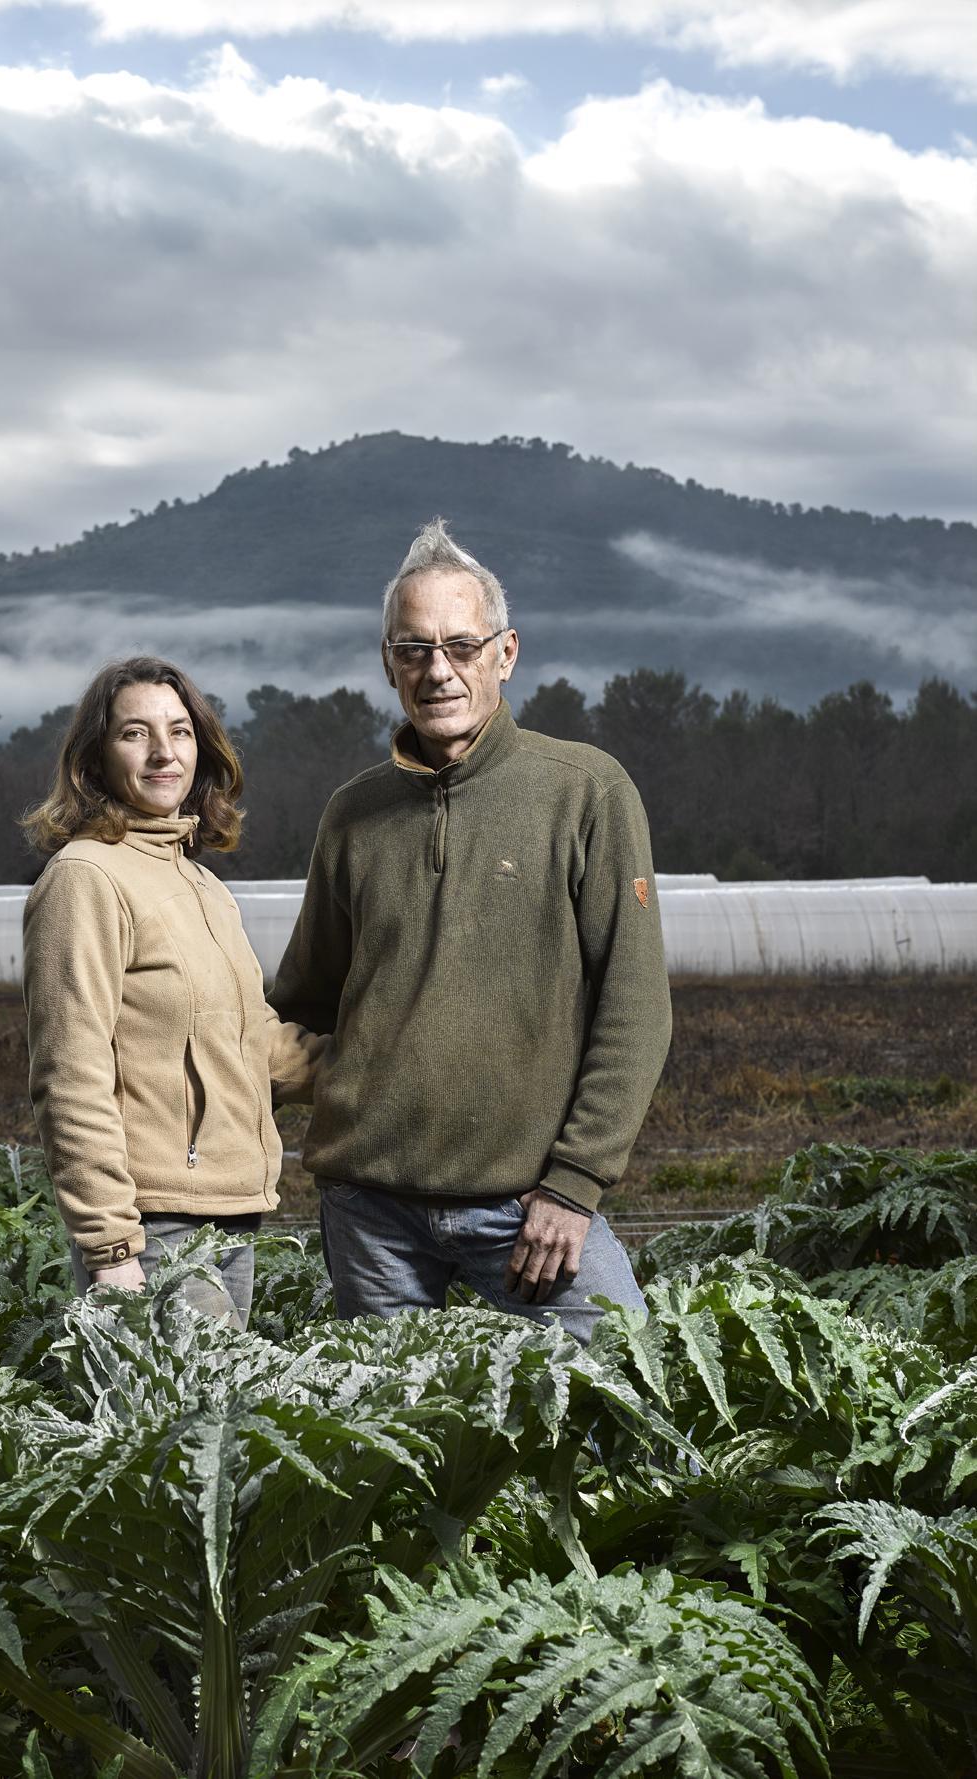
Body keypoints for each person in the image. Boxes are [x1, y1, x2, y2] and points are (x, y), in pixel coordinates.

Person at [269, 520, 671, 1344]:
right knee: (397, 1452)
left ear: (505, 652)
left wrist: (575, 1183)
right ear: (388, 662)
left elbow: (634, 1010)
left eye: (460, 644)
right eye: (413, 649)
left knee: (624, 1392)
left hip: (529, 1205)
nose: (437, 670)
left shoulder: (585, 792)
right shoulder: (352, 814)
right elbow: (303, 1001)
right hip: (370, 1210)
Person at [21, 655, 324, 1328]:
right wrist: (110, 1245)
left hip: (229, 1212)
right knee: (177, 1426)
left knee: (210, 1419)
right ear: (94, 757)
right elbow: (70, 1071)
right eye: (135, 733)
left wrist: (382, 1059)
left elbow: (253, 1045)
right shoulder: (86, 878)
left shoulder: (201, 886)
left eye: (180, 731)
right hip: (153, 1225)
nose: (163, 752)